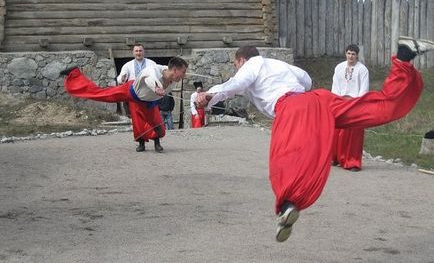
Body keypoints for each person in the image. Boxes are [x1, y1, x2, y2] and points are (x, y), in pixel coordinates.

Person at [196, 36, 434, 243]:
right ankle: (403, 57)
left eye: (236, 64)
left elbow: (235, 83)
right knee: (373, 107)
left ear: (241, 60)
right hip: (318, 99)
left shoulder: (251, 66)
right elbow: (306, 80)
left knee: (286, 155)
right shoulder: (278, 64)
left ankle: (288, 204)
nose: (237, 68)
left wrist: (210, 96)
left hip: (292, 107)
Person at [60, 57, 188, 153]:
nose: (184, 75)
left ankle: (156, 141)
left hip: (147, 102)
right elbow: (150, 78)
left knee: (158, 126)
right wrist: (156, 87)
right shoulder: (153, 69)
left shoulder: (172, 81)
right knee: (100, 93)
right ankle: (75, 74)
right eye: (183, 72)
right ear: (175, 70)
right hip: (129, 90)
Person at [331, 44, 369, 171]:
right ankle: (336, 157)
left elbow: (364, 88)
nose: (351, 56)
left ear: (357, 55)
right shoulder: (339, 67)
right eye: (348, 53)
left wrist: (357, 103)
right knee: (337, 131)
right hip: (340, 101)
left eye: (353, 54)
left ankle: (352, 161)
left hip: (354, 103)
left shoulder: (362, 70)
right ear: (345, 54)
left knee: (353, 133)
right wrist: (336, 100)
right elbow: (335, 85)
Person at [116, 43, 157, 152]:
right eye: (136, 51)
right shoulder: (127, 65)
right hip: (135, 96)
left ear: (144, 52)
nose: (138, 53)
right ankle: (141, 143)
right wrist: (122, 78)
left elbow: (158, 75)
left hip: (149, 95)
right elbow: (120, 78)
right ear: (133, 53)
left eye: (140, 51)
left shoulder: (151, 63)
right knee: (138, 121)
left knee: (153, 119)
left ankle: (157, 143)